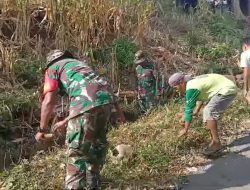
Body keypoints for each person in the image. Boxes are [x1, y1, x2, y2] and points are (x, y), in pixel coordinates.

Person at [35, 49, 116, 189]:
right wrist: (67, 120)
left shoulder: (52, 69)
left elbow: (49, 100)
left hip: (86, 104)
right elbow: (90, 94)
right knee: (95, 146)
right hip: (107, 100)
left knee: (76, 152)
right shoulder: (79, 65)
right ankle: (93, 185)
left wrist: (42, 129)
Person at [168, 73, 237, 155]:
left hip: (226, 89)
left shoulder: (191, 88)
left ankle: (216, 143)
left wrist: (185, 130)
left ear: (181, 83)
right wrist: (197, 110)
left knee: (209, 112)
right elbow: (203, 94)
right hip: (226, 87)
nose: (176, 90)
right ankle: (214, 142)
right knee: (207, 113)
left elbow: (188, 110)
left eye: (176, 87)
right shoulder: (193, 82)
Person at [240, 37, 250, 104]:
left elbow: (246, 72)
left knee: (248, 96)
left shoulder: (245, 54)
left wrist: (245, 88)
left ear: (245, 46)